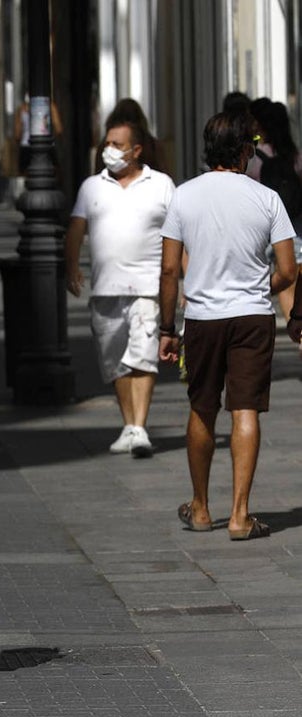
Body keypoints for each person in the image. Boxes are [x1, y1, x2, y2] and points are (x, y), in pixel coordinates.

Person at [158, 110, 297, 540]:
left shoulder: (183, 196)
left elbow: (168, 270)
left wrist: (167, 328)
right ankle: (240, 516)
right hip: (253, 317)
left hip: (202, 317)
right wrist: (260, 285)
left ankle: (200, 507)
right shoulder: (267, 198)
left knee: (203, 407)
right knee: (246, 410)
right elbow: (290, 270)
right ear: (245, 149)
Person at [65, 120, 175, 457]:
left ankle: (139, 427)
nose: (107, 149)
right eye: (106, 142)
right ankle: (130, 425)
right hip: (105, 288)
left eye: (116, 143)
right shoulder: (91, 187)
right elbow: (75, 229)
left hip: (147, 287)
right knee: (116, 363)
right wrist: (71, 266)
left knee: (143, 357)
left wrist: (184, 279)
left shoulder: (162, 184)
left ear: (136, 150)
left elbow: (177, 236)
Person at [246, 98, 302, 320]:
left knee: (287, 285)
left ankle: (298, 335)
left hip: (267, 230)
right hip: (297, 227)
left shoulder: (253, 157)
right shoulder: (294, 157)